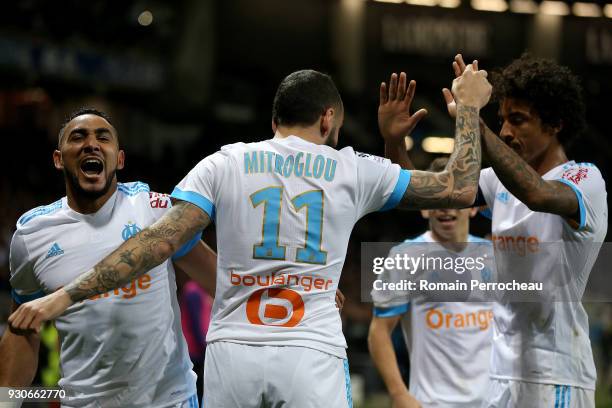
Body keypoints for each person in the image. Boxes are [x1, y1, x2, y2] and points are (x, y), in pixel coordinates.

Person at [9, 66, 491, 407]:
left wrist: (65, 296)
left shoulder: (224, 162)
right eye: (337, 129)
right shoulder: (351, 167)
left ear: (274, 120)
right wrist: (467, 109)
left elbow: (157, 243)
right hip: (310, 348)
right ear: (327, 119)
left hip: (231, 355)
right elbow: (460, 187)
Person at [388, 54, 607, 407]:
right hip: (500, 375)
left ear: (555, 124)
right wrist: (395, 143)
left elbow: (536, 193)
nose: (506, 131)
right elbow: (428, 195)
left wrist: (472, 117)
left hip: (556, 376)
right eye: (502, 119)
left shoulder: (584, 179)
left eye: (518, 120)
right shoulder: (497, 182)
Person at [0, 108, 217, 408]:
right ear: (58, 159)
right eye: (78, 137)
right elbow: (23, 329)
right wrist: (7, 401)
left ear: (120, 159)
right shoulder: (31, 235)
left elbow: (218, 282)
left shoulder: (154, 210)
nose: (91, 143)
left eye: (103, 137)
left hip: (170, 400)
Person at [368, 157, 494, 408]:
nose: (445, 208)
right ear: (424, 207)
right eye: (436, 198)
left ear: (472, 206)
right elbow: (379, 332)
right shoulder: (405, 257)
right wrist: (399, 394)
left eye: (454, 198)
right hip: (432, 403)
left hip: (494, 402)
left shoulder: (494, 255)